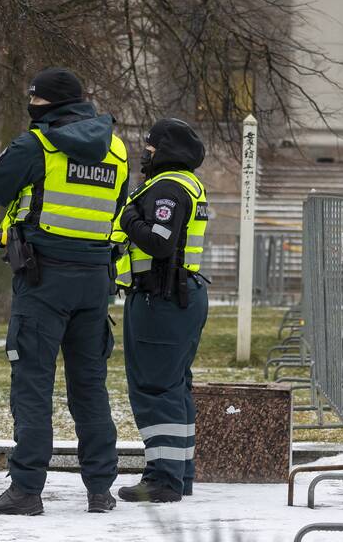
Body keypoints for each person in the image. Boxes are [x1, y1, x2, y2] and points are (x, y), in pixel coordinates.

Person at [0, 67, 129, 515]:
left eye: (34, 99)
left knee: (32, 386)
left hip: (43, 281)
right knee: (90, 387)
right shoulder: (117, 150)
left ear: (45, 103)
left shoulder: (36, 145)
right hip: (93, 282)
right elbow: (117, 206)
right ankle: (100, 490)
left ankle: (26, 489)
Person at [112, 118, 209, 504]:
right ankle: (179, 474)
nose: (145, 153)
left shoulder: (167, 189)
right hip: (180, 297)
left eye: (150, 147)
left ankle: (163, 480)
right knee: (174, 387)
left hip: (162, 298)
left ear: (165, 150)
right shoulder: (187, 185)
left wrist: (127, 216)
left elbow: (159, 241)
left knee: (155, 389)